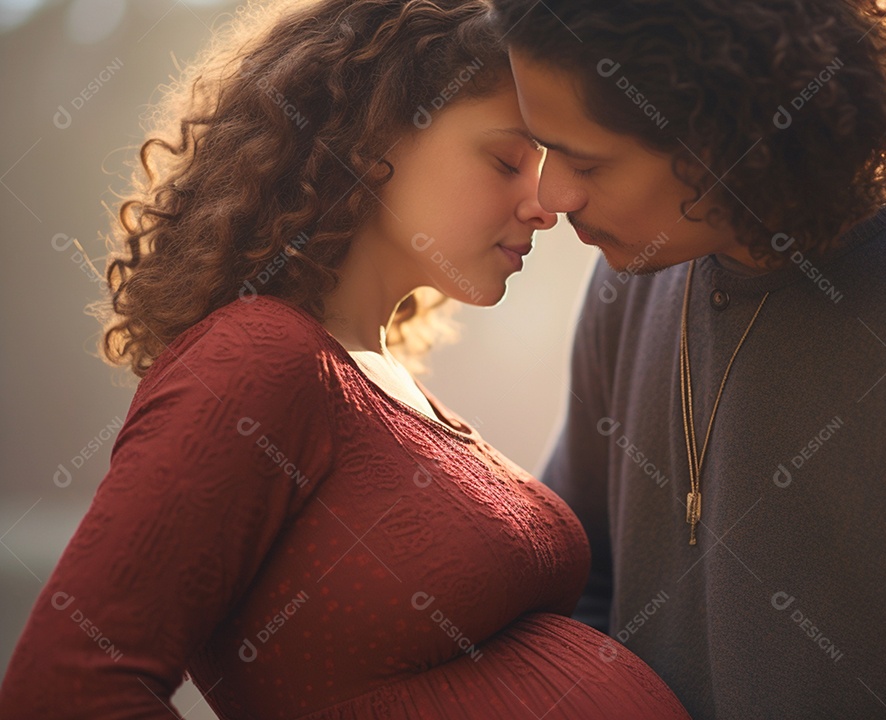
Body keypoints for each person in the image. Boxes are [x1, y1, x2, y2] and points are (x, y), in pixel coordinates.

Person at [0, 1, 693, 718]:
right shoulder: (258, 359)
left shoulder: (379, 375)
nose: (544, 203)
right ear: (372, 140)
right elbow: (65, 689)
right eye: (508, 161)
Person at [489, 0, 886, 718]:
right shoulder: (627, 281)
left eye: (584, 161)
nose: (551, 196)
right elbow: (578, 585)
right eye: (543, 149)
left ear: (719, 132)